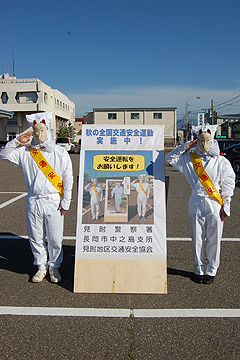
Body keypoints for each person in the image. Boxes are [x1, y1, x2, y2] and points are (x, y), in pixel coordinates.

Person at [0, 112, 73, 283]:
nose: (39, 134)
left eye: (42, 130)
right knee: (35, 236)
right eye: (36, 131)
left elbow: (68, 177)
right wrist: (19, 140)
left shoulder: (59, 153)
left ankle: (54, 267)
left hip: (54, 200)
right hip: (33, 200)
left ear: (48, 130)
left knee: (55, 237)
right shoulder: (26, 152)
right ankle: (41, 266)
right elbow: (4, 154)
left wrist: (66, 200)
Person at [166, 124, 235, 284]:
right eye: (201, 140)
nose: (204, 144)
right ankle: (198, 269)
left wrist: (227, 205)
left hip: (215, 202)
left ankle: (211, 269)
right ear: (196, 140)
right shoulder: (189, 160)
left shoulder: (221, 162)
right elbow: (170, 159)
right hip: (195, 200)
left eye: (207, 140)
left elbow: (228, 184)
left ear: (213, 140)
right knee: (196, 238)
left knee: (214, 238)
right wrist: (185, 146)